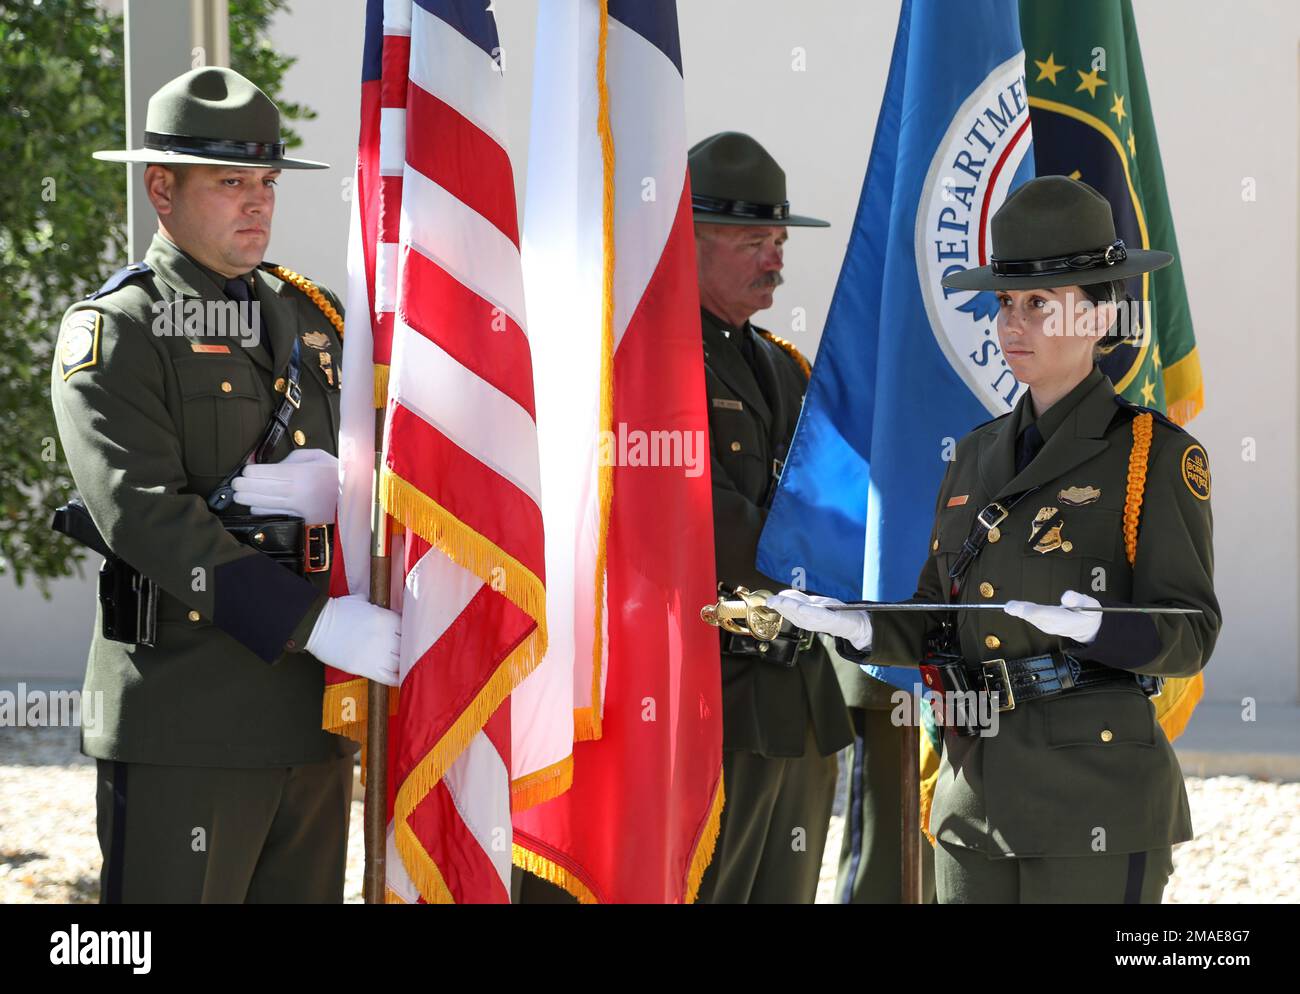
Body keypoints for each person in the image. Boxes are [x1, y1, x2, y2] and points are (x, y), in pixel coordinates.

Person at [768, 175, 1220, 904]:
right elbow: (939, 615)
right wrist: (860, 626)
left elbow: (1191, 630)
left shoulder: (1153, 457)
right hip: (975, 797)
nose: (1012, 325)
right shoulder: (977, 453)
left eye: (1039, 304)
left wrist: (1103, 628)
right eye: (1005, 303)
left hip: (1093, 797)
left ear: (1100, 315)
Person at [50, 67, 400, 903]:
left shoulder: (313, 317)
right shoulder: (118, 328)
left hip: (311, 716)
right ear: (160, 188)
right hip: (190, 714)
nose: (258, 203)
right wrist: (312, 623)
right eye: (230, 182)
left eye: (267, 181)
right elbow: (142, 513)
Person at [688, 132, 854, 904]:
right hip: (709, 697)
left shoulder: (781, 366)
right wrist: (832, 560)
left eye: (780, 238)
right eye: (753, 238)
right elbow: (700, 519)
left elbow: (834, 498)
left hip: (798, 699)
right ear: (688, 236)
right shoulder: (652, 365)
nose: (775, 256)